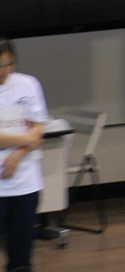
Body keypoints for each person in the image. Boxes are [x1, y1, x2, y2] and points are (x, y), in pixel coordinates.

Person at [0, 37, 48, 272]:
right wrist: (27, 140)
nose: (4, 71)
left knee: (21, 258)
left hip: (25, 184)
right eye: (0, 66)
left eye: (9, 64)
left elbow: (38, 127)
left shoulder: (28, 84)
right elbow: (32, 136)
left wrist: (17, 154)